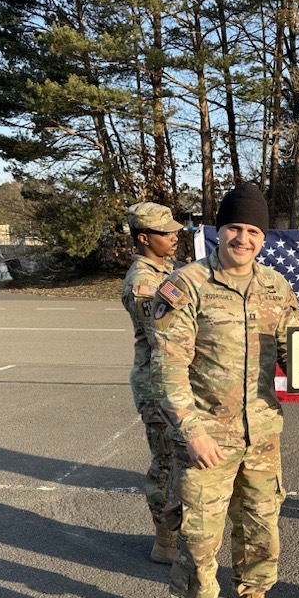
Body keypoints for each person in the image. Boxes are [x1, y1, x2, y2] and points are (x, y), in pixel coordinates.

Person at [149, 182, 299, 598]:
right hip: (205, 443)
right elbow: (166, 370)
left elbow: (295, 349)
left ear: (263, 237)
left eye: (254, 231)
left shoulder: (276, 286)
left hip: (262, 438)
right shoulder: (186, 285)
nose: (243, 239)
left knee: (260, 533)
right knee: (199, 542)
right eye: (235, 228)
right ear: (220, 230)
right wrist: (191, 432)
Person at [120, 202, 181, 564]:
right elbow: (162, 330)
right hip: (156, 384)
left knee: (180, 459)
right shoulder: (142, 282)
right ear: (144, 238)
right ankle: (165, 541)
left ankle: (179, 533)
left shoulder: (165, 270)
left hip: (172, 380)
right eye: (165, 232)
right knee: (166, 463)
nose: (174, 237)